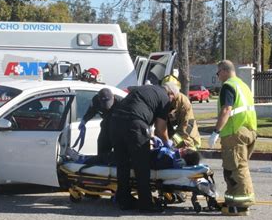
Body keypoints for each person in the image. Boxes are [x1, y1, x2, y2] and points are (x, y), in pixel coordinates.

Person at [110, 84, 173, 212]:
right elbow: (161, 129)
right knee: (142, 166)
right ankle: (146, 204)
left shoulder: (144, 89)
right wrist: (167, 143)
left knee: (123, 165)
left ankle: (124, 201)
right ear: (170, 94)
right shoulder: (165, 98)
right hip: (134, 123)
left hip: (116, 122)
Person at [209, 60, 257, 216]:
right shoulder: (243, 85)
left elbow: (226, 110)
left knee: (237, 168)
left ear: (224, 71)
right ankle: (232, 200)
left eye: (218, 73)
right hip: (249, 130)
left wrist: (216, 131)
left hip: (234, 132)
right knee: (232, 168)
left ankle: (242, 205)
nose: (218, 76)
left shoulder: (228, 86)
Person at [78, 88, 123, 164]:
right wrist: (84, 121)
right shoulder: (95, 100)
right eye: (104, 103)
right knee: (102, 148)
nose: (107, 106)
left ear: (113, 97)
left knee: (119, 153)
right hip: (106, 127)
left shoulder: (121, 102)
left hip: (119, 129)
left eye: (108, 103)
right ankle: (102, 167)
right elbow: (91, 111)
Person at [162, 81, 201, 149]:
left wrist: (173, 141)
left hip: (188, 138)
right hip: (176, 134)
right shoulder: (170, 101)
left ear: (172, 93)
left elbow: (187, 125)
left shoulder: (184, 103)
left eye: (166, 94)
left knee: (187, 155)